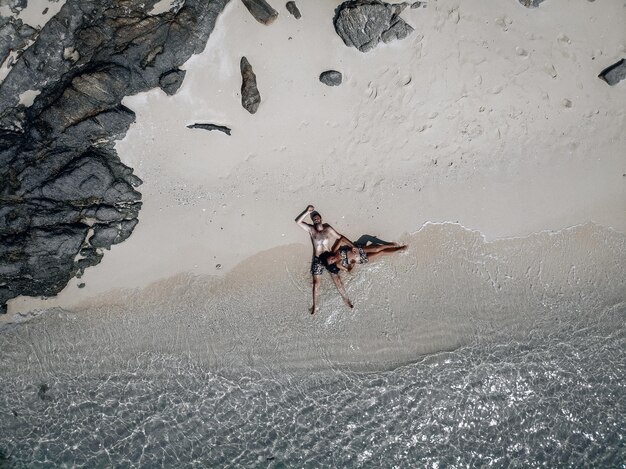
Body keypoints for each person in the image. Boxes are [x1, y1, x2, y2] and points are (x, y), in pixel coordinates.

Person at [295, 205, 356, 314]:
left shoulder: (328, 229)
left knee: (337, 280)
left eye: (318, 218)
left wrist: (352, 245)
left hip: (329, 258)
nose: (316, 219)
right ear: (313, 221)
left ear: (321, 219)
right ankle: (315, 306)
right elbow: (298, 222)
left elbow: (339, 237)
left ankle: (346, 299)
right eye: (314, 219)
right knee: (316, 283)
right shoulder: (311, 230)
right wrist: (306, 212)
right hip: (318, 259)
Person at [323, 242, 407, 273]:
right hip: (361, 260)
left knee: (377, 248)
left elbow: (341, 240)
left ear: (330, 256)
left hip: (359, 251)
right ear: (332, 263)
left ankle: (388, 245)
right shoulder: (338, 264)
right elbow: (348, 270)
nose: (331, 259)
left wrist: (352, 247)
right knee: (381, 253)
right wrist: (352, 265)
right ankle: (399, 249)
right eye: (330, 262)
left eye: (329, 258)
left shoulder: (337, 252)